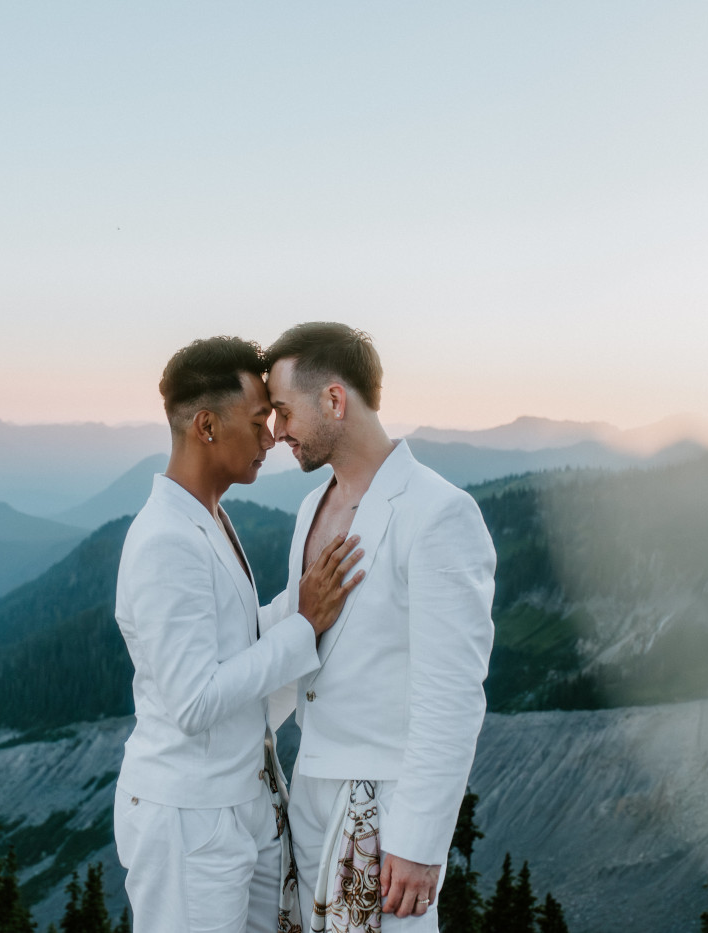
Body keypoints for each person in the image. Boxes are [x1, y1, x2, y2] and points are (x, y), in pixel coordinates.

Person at [113, 335, 366, 933]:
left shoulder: (209, 516)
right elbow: (194, 701)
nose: (272, 436)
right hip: (188, 820)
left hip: (240, 806)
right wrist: (303, 624)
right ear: (205, 425)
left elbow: (237, 645)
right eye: (257, 421)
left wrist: (306, 605)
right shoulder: (164, 541)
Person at [261, 323, 496, 931]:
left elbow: (453, 694)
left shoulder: (439, 512)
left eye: (284, 411)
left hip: (387, 809)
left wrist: (420, 840)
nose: (276, 429)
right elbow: (301, 632)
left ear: (334, 400)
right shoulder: (313, 506)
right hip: (310, 787)